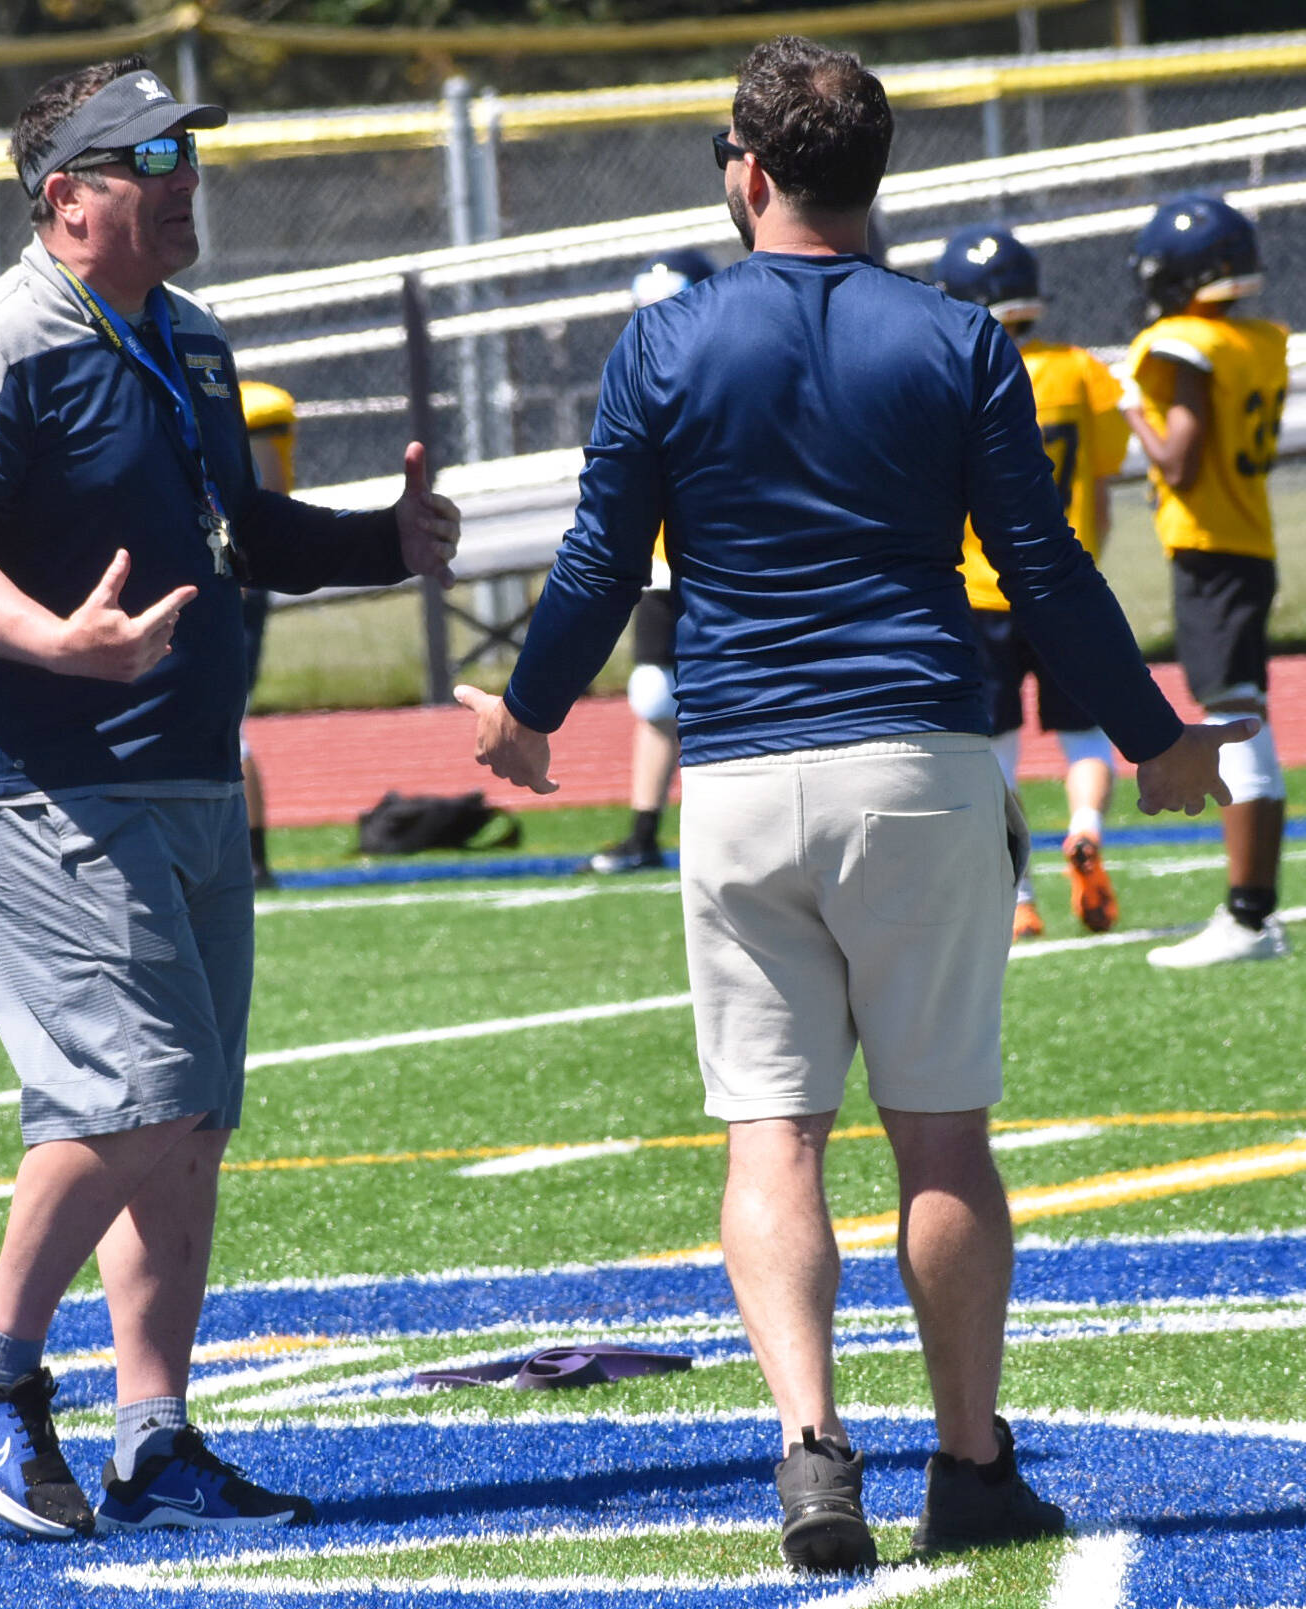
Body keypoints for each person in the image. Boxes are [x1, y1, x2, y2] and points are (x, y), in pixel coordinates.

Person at [456, 36, 1251, 1574]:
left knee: (775, 1138)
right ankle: (969, 1457)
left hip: (743, 768)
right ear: (872, 180)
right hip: (921, 764)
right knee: (942, 1139)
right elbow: (1043, 569)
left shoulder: (667, 341)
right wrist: (1149, 727)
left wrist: (530, 715)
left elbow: (598, 568)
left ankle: (814, 1446)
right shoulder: (957, 339)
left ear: (745, 173)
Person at [0, 54, 458, 1541]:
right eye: (152, 161)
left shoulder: (189, 342)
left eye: (188, 156)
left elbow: (241, 531)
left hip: (187, 765)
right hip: (44, 777)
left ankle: (157, 1433)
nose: (185, 180)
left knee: (191, 1113)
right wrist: (56, 642)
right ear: (67, 198)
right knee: (134, 1091)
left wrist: (384, 542)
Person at [935, 227, 1131, 940]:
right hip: (1061, 584)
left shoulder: (957, 374)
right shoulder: (1082, 371)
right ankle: (1083, 827)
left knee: (994, 751)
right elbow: (1103, 488)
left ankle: (1017, 893)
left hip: (983, 589)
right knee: (1083, 733)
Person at [1122, 193, 1290, 969]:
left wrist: (1132, 410)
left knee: (1236, 722)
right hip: (1248, 545)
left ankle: (1250, 917)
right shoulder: (1257, 339)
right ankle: (1255, 912)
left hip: (1211, 551)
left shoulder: (1184, 342)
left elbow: (1177, 459)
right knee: (1246, 713)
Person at [584, 249, 717, 874]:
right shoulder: (636, 379)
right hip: (664, 565)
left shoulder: (730, 375)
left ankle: (714, 825)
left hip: (726, 564)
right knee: (654, 697)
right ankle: (644, 832)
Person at [238, 377, 298, 890]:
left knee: (225, 726)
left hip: (235, 583)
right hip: (242, 578)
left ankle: (255, 859)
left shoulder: (238, 415)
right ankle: (252, 859)